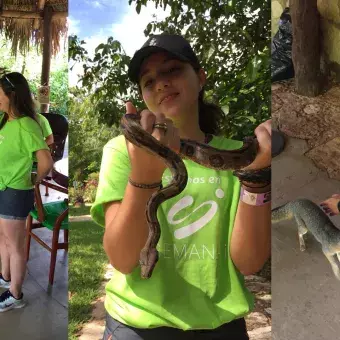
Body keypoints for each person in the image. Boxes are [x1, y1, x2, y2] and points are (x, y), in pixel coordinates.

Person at [91, 33, 271, 340]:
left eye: (172, 70)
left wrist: (256, 174)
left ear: (200, 78)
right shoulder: (122, 150)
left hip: (220, 323)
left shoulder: (241, 154)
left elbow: (249, 263)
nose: (160, 83)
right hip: (135, 325)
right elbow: (123, 261)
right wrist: (145, 174)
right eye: (148, 81)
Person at [0, 72, 53, 312]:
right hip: (2, 187)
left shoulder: (28, 125)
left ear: (12, 95)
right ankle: (5, 275)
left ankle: (15, 295)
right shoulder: (4, 120)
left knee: (15, 245)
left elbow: (46, 162)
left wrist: (32, 181)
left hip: (15, 191)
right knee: (3, 238)